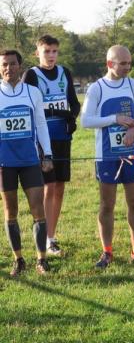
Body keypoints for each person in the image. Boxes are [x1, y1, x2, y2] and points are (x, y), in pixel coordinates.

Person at [81, 45, 134, 268]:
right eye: (123, 63)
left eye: (129, 63)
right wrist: (114, 119)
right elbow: (86, 121)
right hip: (107, 157)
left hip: (132, 154)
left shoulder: (132, 85)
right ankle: (107, 252)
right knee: (107, 205)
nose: (127, 67)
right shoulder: (97, 88)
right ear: (110, 64)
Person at [22, 35, 81, 256]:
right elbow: (29, 108)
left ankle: (52, 236)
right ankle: (45, 237)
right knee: (49, 186)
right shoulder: (31, 75)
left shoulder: (65, 72)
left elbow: (74, 103)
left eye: (55, 51)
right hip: (42, 141)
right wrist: (57, 112)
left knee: (59, 187)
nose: (51, 55)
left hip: (62, 139)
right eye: (47, 51)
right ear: (37, 52)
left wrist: (72, 117)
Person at [0, 50, 53, 276]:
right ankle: (18, 260)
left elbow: (41, 124)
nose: (8, 68)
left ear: (20, 66)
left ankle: (41, 260)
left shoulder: (33, 92)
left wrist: (47, 154)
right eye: (4, 64)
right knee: (10, 211)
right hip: (5, 164)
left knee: (38, 209)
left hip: (30, 161)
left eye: (12, 64)